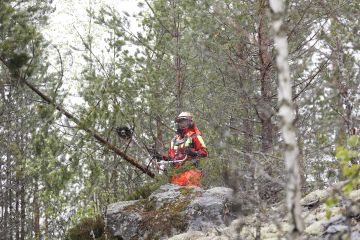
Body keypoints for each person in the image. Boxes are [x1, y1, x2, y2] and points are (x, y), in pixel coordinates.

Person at [153, 112, 208, 186]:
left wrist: (194, 153)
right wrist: (162, 157)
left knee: (191, 194)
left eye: (183, 121)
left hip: (191, 173)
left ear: (190, 122)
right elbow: (171, 157)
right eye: (179, 121)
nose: (181, 123)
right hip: (176, 175)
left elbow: (205, 152)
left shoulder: (195, 136)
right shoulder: (174, 140)